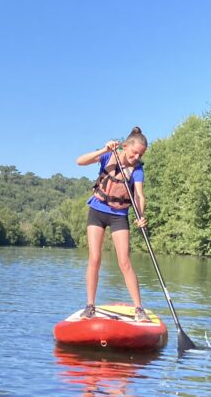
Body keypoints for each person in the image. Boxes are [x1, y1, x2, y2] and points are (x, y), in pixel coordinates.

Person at [76, 127, 149, 322]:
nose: (136, 157)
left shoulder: (138, 169)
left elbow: (139, 196)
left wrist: (140, 215)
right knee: (95, 258)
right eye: (134, 153)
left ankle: (139, 308)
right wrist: (103, 149)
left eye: (140, 154)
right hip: (98, 211)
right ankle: (90, 305)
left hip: (119, 215)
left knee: (124, 261)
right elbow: (80, 161)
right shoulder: (109, 156)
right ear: (125, 147)